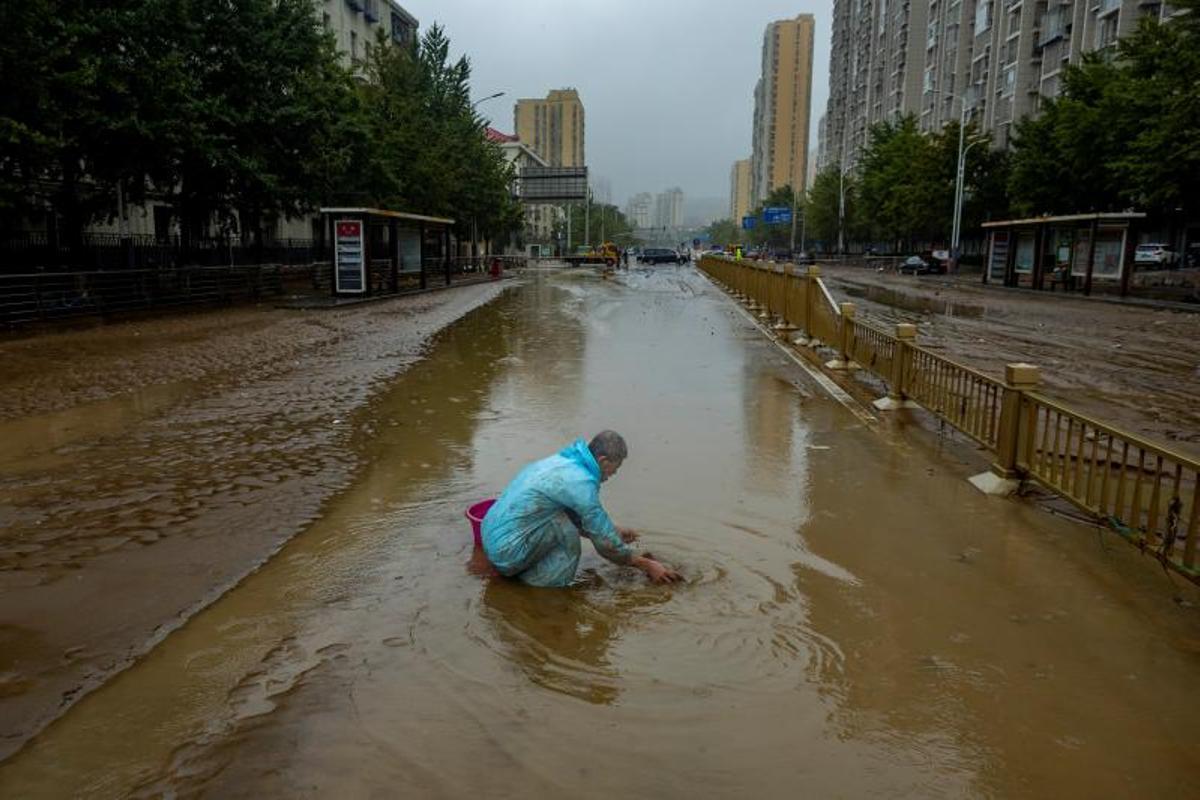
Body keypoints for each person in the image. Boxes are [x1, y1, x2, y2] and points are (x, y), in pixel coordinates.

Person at [482, 431, 682, 587]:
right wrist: (646, 564)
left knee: (561, 519)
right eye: (616, 467)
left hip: (492, 538)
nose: (615, 473)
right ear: (603, 461)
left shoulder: (564, 462)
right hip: (506, 553)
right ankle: (543, 588)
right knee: (566, 533)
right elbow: (605, 544)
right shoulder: (582, 483)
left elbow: (580, 518)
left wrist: (614, 531)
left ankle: (521, 570)